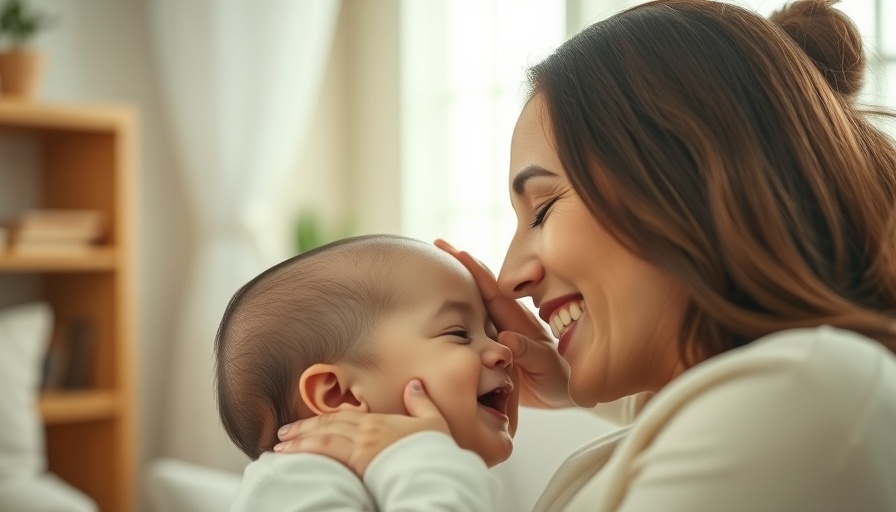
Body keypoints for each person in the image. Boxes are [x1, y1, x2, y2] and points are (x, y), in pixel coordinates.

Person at [274, 1, 896, 510]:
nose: (512, 276)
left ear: (690, 178)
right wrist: (580, 380)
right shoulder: (794, 396)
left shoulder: (801, 395)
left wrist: (417, 459)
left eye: (542, 209)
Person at [214, 234, 519, 510]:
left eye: (492, 333)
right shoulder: (294, 482)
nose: (503, 351)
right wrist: (427, 456)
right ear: (339, 395)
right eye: (458, 333)